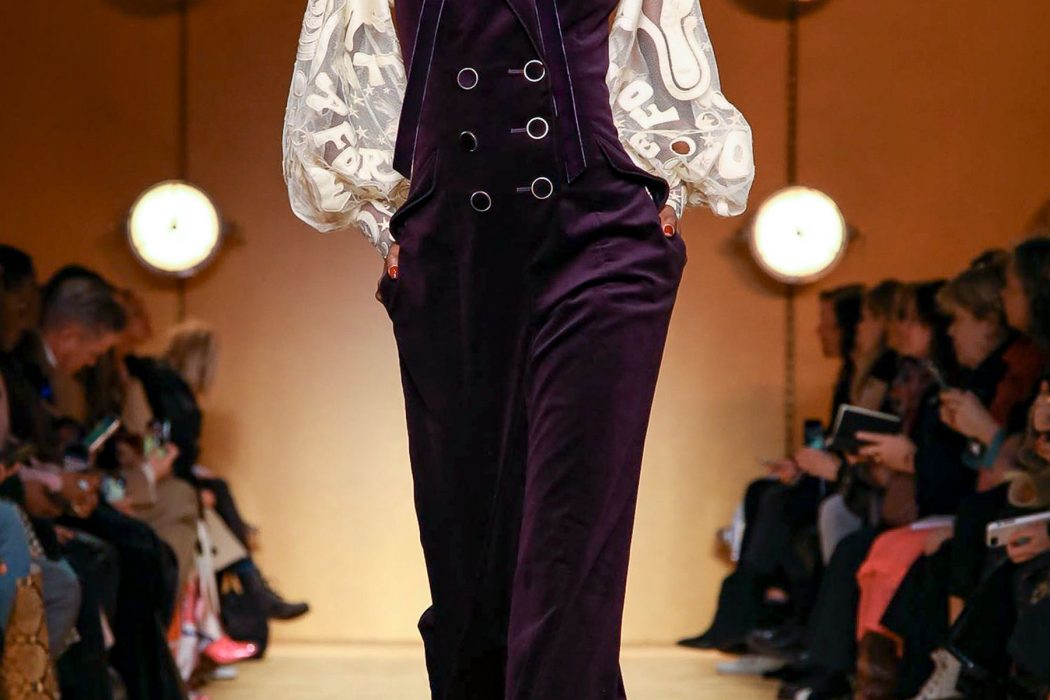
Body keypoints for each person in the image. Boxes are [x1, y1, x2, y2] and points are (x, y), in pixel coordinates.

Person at [283, 1, 754, 698]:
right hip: (453, 257)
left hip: (599, 239)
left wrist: (671, 189)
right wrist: (385, 223)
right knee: (472, 578)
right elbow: (338, 77)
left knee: (568, 555)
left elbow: (667, 48)